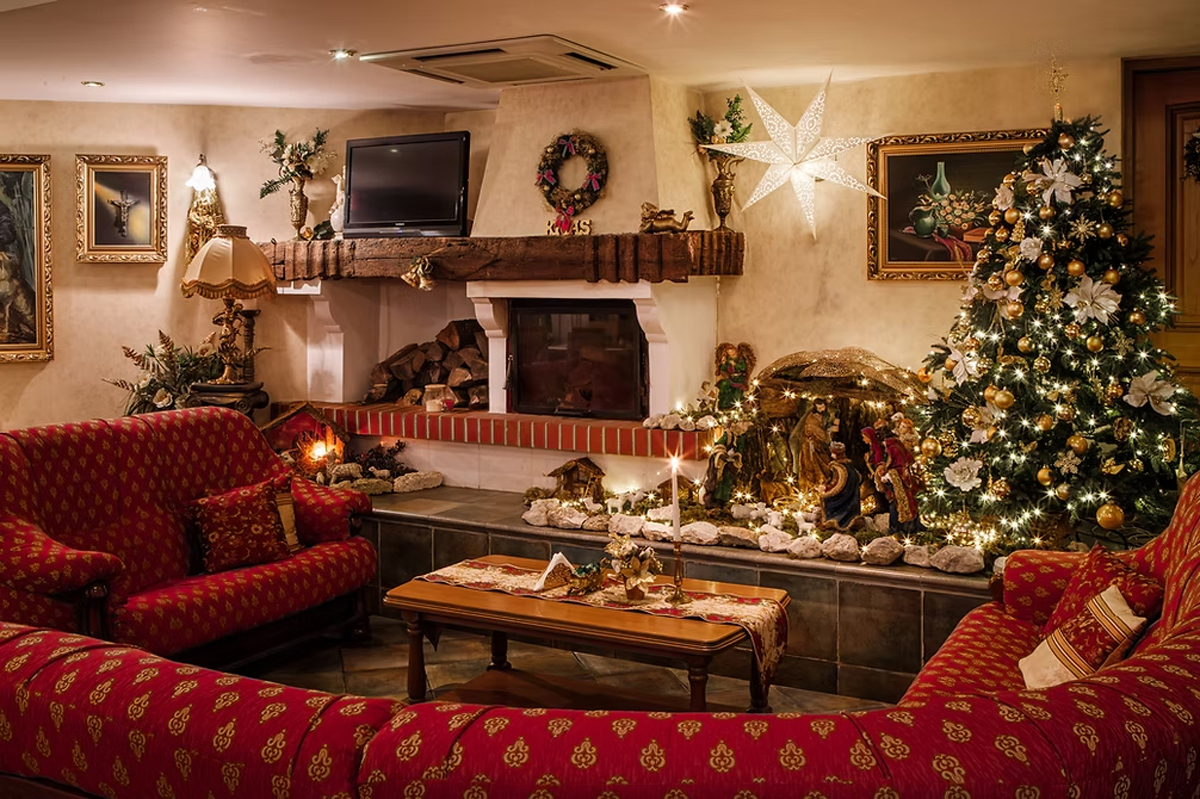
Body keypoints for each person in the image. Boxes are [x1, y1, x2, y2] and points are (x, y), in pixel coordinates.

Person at [791, 397, 833, 490]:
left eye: (823, 407)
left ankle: (822, 483)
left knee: (823, 461)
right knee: (812, 464)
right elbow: (818, 431)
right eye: (819, 408)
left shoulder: (820, 416)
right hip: (810, 446)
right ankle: (813, 486)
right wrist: (827, 437)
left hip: (816, 444)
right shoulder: (812, 418)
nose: (822, 409)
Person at [820, 441, 861, 529]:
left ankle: (837, 521)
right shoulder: (849, 466)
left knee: (827, 500)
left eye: (833, 453)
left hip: (843, 496)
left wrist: (826, 488)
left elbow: (837, 483)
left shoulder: (838, 468)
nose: (831, 456)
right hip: (852, 497)